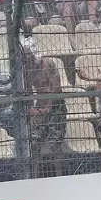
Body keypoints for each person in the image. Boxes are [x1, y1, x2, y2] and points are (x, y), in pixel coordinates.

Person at [23, 42, 65, 177]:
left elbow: (57, 88)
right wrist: (30, 109)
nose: (27, 58)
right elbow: (27, 91)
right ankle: (35, 176)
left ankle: (59, 176)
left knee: (55, 144)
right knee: (34, 142)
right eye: (25, 55)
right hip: (40, 105)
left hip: (56, 106)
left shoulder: (48, 63)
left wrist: (48, 107)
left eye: (28, 54)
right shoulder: (26, 68)